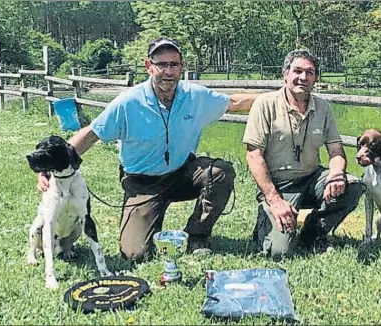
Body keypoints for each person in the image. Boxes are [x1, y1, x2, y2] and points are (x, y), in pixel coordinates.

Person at [37, 37, 258, 263]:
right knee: (135, 254)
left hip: (182, 172)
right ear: (148, 66)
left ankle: (196, 236)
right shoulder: (128, 102)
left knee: (220, 172)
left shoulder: (195, 96)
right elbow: (90, 134)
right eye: (161, 64)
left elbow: (234, 103)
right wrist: (49, 167)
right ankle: (149, 221)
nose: (168, 71)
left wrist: (282, 95)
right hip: (142, 182)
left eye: (174, 65)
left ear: (182, 67)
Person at [242, 49, 363, 260]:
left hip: (312, 178)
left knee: (352, 185)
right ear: (285, 74)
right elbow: (253, 156)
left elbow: (335, 150)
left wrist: (336, 174)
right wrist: (275, 200)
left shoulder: (323, 107)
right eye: (297, 71)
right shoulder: (265, 104)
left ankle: (313, 232)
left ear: (315, 78)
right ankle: (267, 222)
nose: (303, 77)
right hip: (278, 185)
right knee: (279, 252)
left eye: (310, 72)